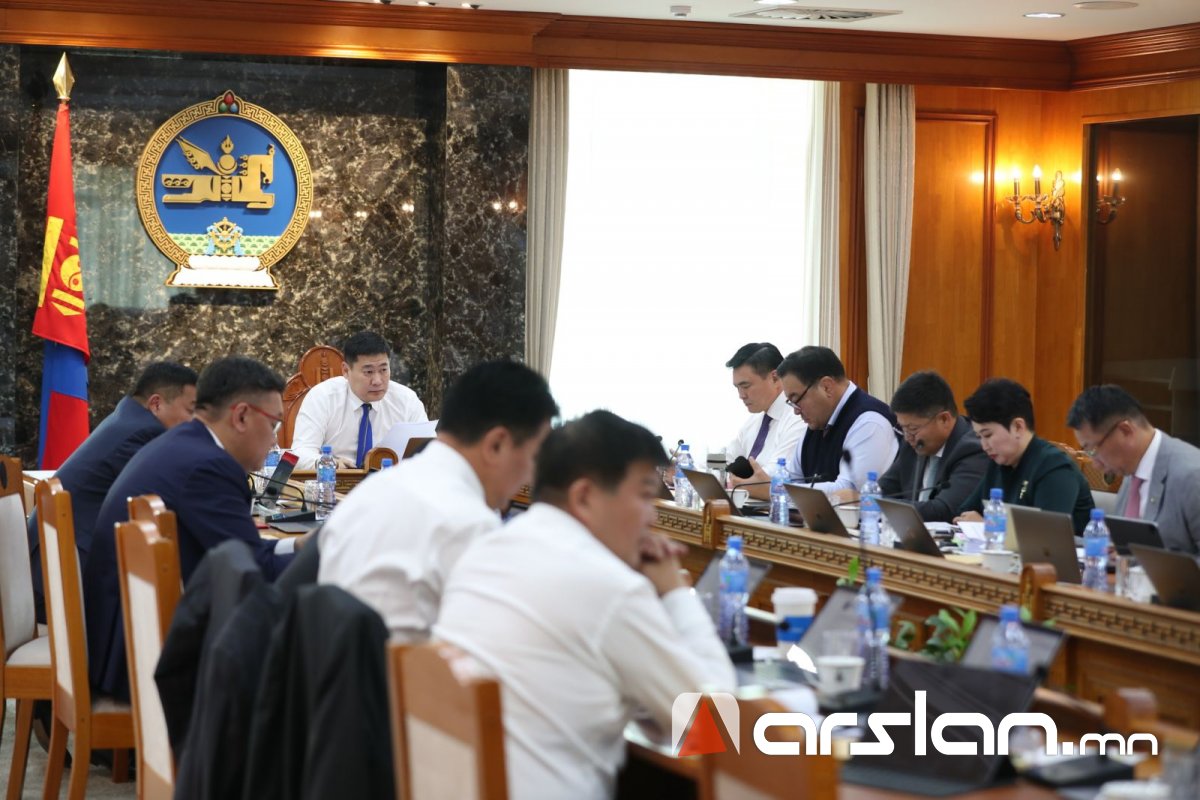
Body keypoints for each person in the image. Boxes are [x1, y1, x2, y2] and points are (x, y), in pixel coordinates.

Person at [434, 410, 736, 800]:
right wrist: (674, 592)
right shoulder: (607, 587)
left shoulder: (486, 551)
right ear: (585, 496)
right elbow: (715, 729)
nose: (652, 515)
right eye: (645, 495)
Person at [82, 356, 297, 701]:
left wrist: (297, 547)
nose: (275, 441)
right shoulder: (208, 467)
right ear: (241, 416)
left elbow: (241, 556)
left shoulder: (183, 443)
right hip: (150, 665)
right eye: (274, 425)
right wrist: (330, 552)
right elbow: (255, 573)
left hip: (125, 643)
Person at [318, 360, 559, 640]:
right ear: (496, 445)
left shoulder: (370, 490)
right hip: (401, 667)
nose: (532, 475)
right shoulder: (470, 525)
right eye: (534, 457)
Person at [26, 360, 198, 623]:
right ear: (156, 404)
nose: (196, 422)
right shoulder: (143, 434)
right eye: (191, 410)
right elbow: (169, 503)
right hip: (61, 586)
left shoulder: (129, 419)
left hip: (52, 572)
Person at [742, 345, 898, 500]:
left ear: (826, 387)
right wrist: (763, 484)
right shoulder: (817, 423)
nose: (796, 411)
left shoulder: (869, 422)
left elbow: (848, 493)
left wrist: (774, 490)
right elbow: (791, 477)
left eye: (797, 399)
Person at [1067, 385, 1200, 554]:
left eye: (1093, 450)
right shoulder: (1131, 471)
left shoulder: (1192, 474)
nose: (1095, 464)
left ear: (1125, 430)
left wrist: (1161, 564)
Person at [956, 378, 1093, 533]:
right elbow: (966, 512)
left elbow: (1046, 534)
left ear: (1018, 427)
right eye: (979, 437)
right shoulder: (1000, 462)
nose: (984, 446)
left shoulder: (1055, 467)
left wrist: (987, 525)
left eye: (987, 435)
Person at [290, 330, 427, 469]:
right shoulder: (323, 397)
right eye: (368, 372)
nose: (377, 381)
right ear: (345, 370)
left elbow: (428, 451)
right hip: (335, 479)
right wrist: (330, 464)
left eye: (383, 370)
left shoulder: (406, 400)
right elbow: (299, 454)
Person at [878, 371, 988, 522]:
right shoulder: (912, 443)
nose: (908, 436)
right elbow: (883, 490)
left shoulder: (973, 450)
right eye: (903, 428)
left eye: (913, 429)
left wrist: (877, 505)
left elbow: (944, 510)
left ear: (944, 419)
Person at [723, 342, 806, 500]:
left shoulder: (798, 418)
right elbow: (726, 459)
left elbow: (772, 478)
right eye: (737, 388)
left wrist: (734, 481)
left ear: (775, 378)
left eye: (745, 386)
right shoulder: (755, 420)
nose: (741, 395)